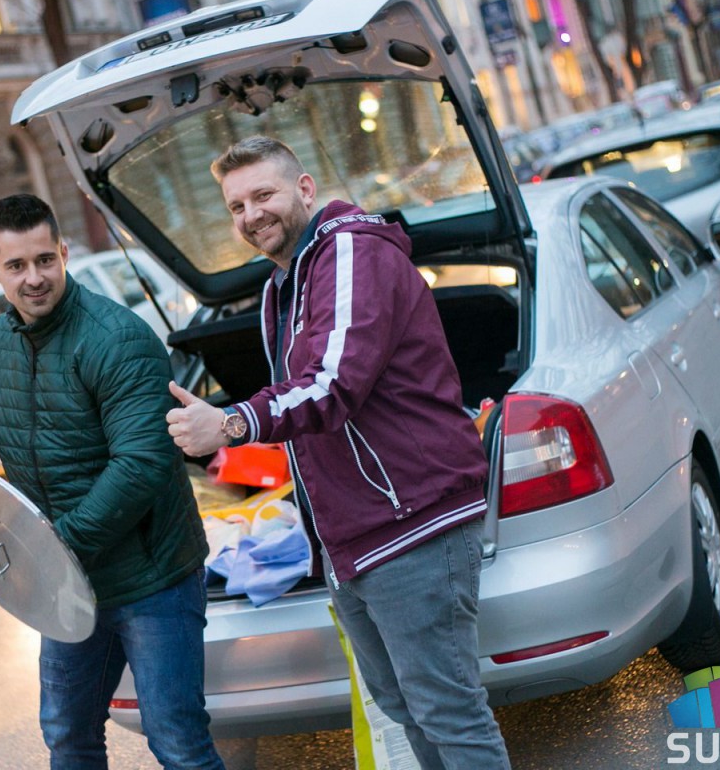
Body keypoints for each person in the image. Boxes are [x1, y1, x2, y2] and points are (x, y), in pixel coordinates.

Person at [166, 136, 511, 770]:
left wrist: (234, 422)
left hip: (412, 524)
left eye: (263, 195)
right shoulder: (283, 284)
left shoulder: (351, 250)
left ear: (304, 189)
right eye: (237, 206)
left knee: (448, 712)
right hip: (351, 540)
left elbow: (331, 386)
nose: (251, 215)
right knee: (406, 708)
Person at [0, 194, 224, 770]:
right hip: (69, 585)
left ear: (64, 253)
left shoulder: (117, 339)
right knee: (67, 734)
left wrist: (53, 550)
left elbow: (141, 464)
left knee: (177, 741)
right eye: (17, 265)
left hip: (152, 579)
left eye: (44, 260)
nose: (34, 278)